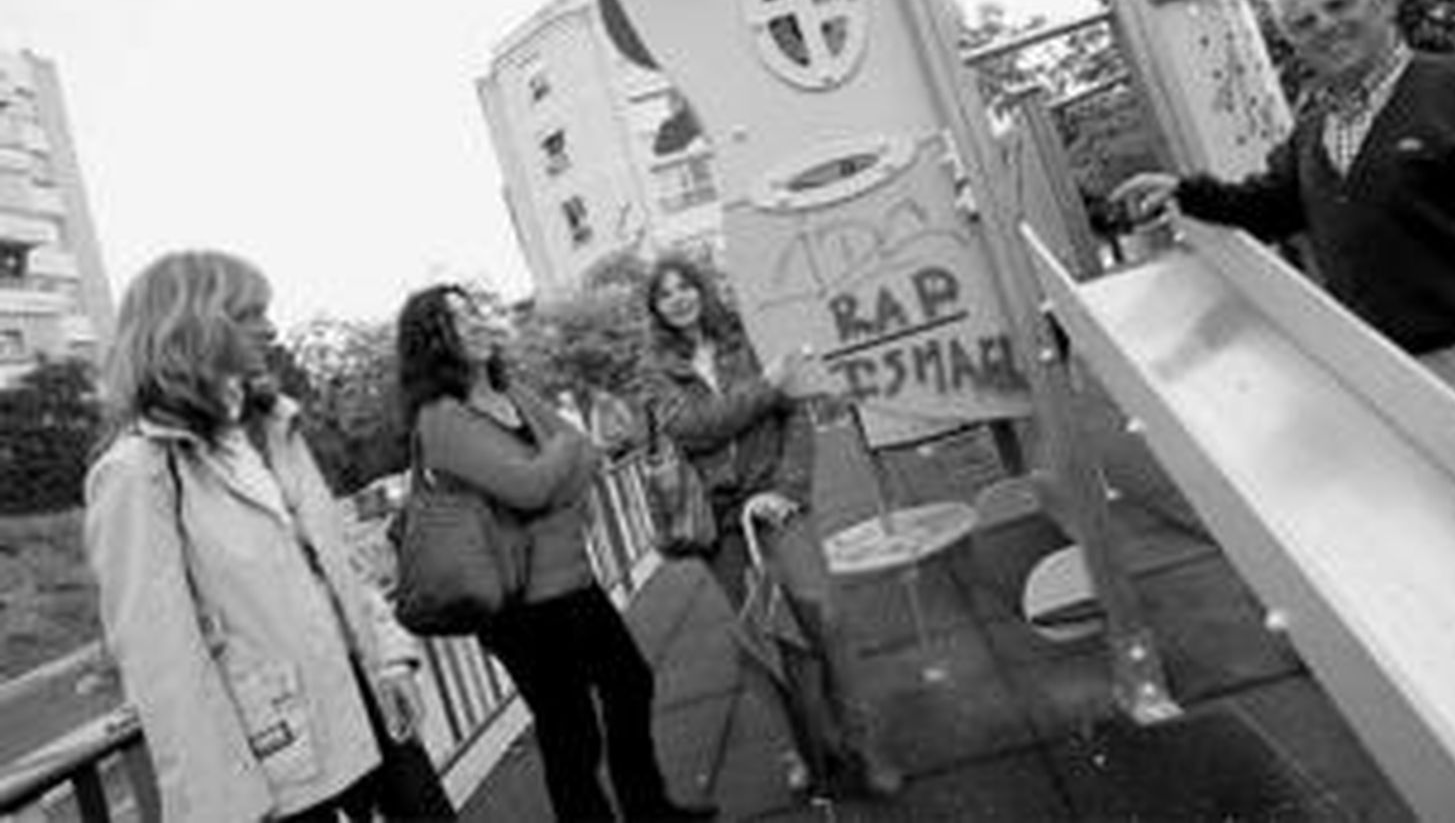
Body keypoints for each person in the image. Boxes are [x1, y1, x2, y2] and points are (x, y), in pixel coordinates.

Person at [1111, 0, 1455, 472]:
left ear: (1385, 3)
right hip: (1391, 379)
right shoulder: (1313, 135)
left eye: (1340, 6)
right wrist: (1184, 193)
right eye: (1304, 22)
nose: (1325, 26)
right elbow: (1268, 206)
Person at [85, 251, 455, 823]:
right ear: (193, 326)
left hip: (372, 710)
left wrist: (393, 660)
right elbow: (164, 665)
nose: (269, 326)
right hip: (280, 765)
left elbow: (339, 564)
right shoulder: (139, 470)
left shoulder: (274, 429)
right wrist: (223, 807)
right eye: (249, 313)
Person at [394, 284, 715, 823]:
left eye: (475, 312)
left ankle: (647, 807)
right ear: (433, 342)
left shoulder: (512, 392)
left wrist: (558, 465)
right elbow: (533, 486)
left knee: (630, 683)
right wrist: (560, 452)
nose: (475, 324)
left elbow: (587, 461)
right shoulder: (441, 418)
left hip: (572, 580)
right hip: (519, 604)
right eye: (456, 320)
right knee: (571, 730)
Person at [638, 254, 903, 801]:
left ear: (701, 290)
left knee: (823, 618)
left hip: (778, 504)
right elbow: (694, 429)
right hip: (718, 521)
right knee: (767, 640)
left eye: (685, 286)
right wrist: (767, 385)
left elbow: (796, 414)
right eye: (665, 294)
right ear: (656, 309)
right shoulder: (655, 370)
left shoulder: (747, 338)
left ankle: (863, 743)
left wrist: (785, 490)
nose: (679, 298)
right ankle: (809, 747)